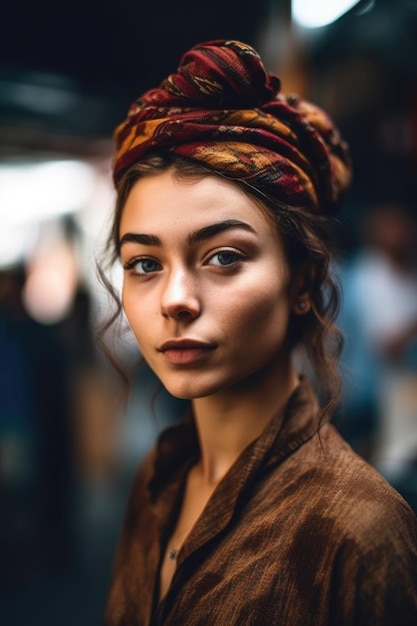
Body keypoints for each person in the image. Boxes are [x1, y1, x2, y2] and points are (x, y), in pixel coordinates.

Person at [103, 40, 417, 625]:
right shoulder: (157, 478)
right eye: (145, 264)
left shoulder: (359, 530)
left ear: (303, 279)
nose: (176, 300)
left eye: (223, 256)